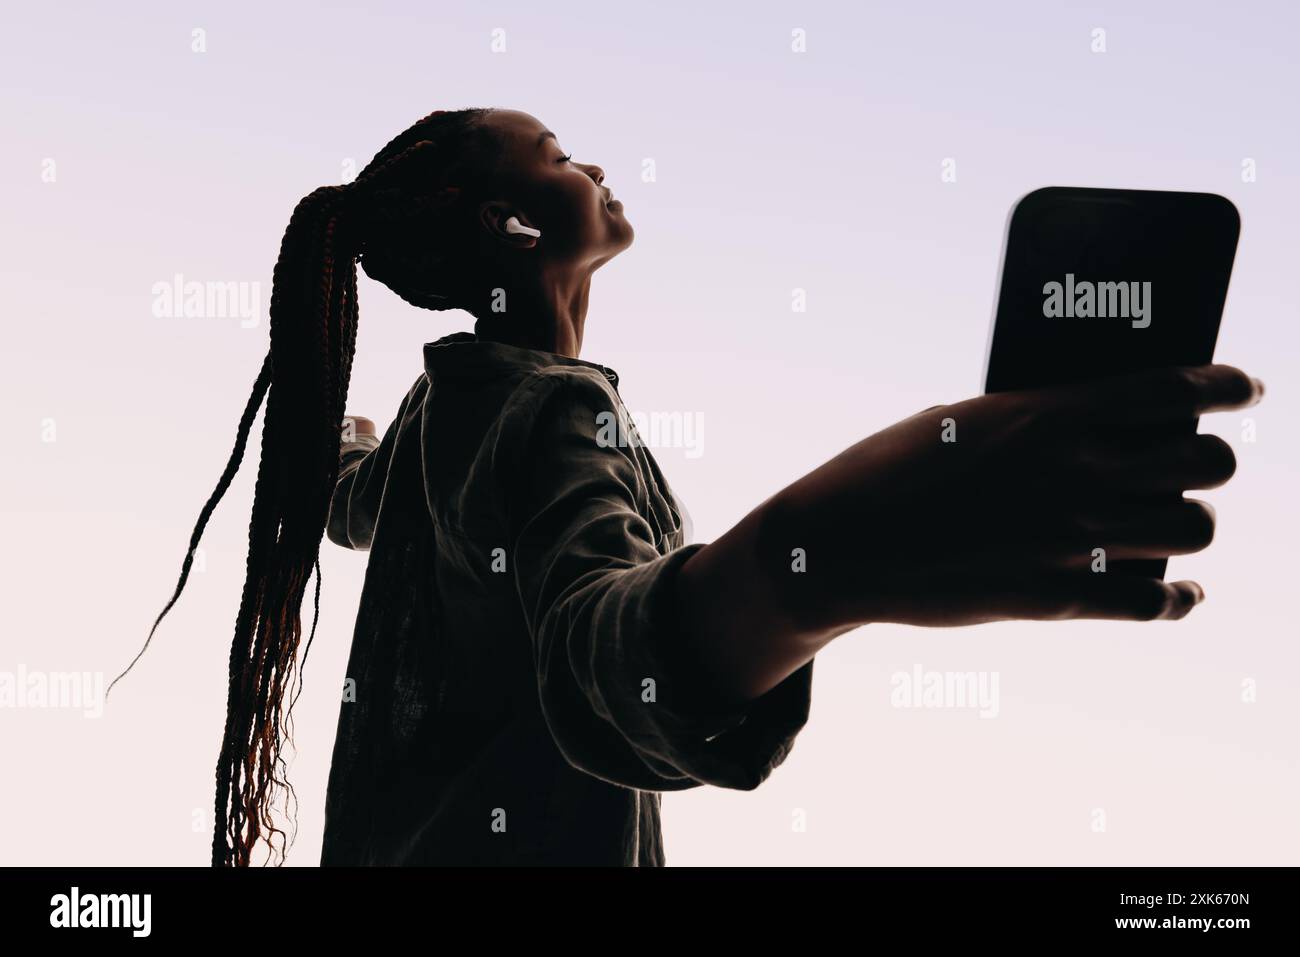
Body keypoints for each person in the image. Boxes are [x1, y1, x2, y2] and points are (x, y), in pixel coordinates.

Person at [113, 107, 1264, 867]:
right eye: (558, 155)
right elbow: (596, 645)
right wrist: (812, 563)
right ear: (512, 226)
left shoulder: (437, 414)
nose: (594, 164)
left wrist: (342, 443)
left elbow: (355, 502)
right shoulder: (555, 411)